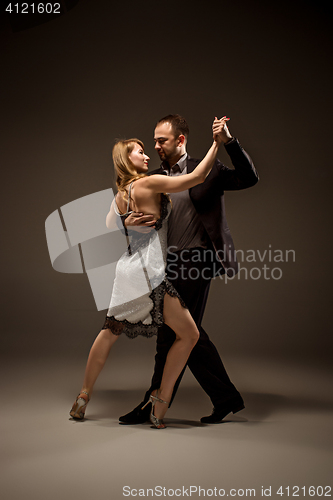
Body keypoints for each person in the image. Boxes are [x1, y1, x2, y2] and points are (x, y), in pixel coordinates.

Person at [69, 117, 228, 429]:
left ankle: (83, 396)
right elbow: (196, 177)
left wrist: (126, 223)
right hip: (150, 272)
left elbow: (107, 224)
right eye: (139, 151)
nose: (146, 154)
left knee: (109, 332)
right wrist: (216, 144)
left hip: (126, 270)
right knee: (190, 334)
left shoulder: (123, 192)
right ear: (127, 160)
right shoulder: (149, 183)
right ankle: (160, 404)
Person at [118, 114, 259, 425]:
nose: (155, 146)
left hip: (196, 262)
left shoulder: (207, 169)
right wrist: (123, 222)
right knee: (186, 334)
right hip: (165, 264)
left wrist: (230, 142)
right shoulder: (155, 177)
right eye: (154, 141)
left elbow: (249, 178)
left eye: (161, 141)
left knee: (172, 336)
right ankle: (224, 398)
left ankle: (152, 403)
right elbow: (126, 209)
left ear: (180, 140)